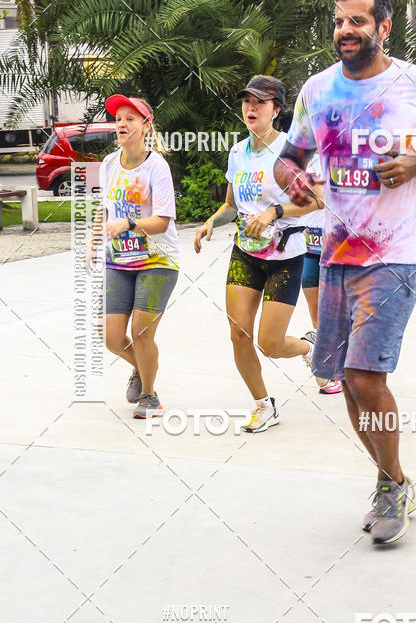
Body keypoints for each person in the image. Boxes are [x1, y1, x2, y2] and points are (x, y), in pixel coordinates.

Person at [274, 0, 416, 545]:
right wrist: (293, 181)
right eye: (339, 21)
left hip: (396, 255)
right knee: (343, 377)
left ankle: (391, 486)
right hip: (336, 251)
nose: (345, 30)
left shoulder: (415, 84)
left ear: (383, 28)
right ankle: (394, 479)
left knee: (366, 375)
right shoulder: (317, 89)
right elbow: (288, 159)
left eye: (357, 21)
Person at [194, 75, 320, 432]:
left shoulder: (291, 152)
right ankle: (263, 404)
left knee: (270, 344)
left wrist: (274, 212)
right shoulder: (237, 152)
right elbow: (230, 205)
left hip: (285, 258)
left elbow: (315, 201)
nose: (251, 107)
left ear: (276, 110)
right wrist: (211, 222)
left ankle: (309, 349)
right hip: (245, 254)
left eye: (260, 102)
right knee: (238, 334)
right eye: (247, 101)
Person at [90, 94, 179, 418]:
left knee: (142, 332)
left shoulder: (157, 167)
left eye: (130, 119)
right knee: (111, 336)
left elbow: (163, 221)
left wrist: (128, 223)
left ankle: (149, 396)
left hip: (158, 260)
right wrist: (93, 241)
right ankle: (142, 367)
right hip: (119, 261)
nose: (122, 124)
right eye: (118, 119)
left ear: (146, 126)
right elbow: (105, 208)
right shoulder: (109, 164)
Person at [301, 152, 342, 395]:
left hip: (336, 245)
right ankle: (329, 364)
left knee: (337, 312)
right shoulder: (296, 158)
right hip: (308, 245)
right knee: (316, 313)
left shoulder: (339, 155)